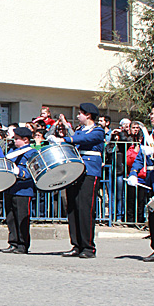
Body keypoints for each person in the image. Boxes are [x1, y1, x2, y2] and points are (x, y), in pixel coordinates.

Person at [50, 103, 105, 258]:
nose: (78, 115)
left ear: (88, 115)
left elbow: (85, 139)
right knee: (73, 208)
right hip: (75, 171)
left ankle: (88, 247)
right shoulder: (80, 130)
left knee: (85, 208)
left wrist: (63, 139)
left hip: (89, 171)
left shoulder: (97, 130)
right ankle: (76, 244)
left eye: (80, 113)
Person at [128, 103, 154, 261]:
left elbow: (151, 152)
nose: (152, 116)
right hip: (151, 180)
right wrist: (133, 173)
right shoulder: (150, 136)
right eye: (151, 114)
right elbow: (140, 157)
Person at [1, 127, 38, 254]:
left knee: (22, 218)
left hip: (23, 190)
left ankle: (23, 244)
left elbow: (33, 170)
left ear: (25, 140)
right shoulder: (12, 151)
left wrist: (20, 172)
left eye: (17, 139)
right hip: (10, 188)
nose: (14, 141)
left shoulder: (31, 153)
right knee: (11, 217)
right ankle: (13, 242)